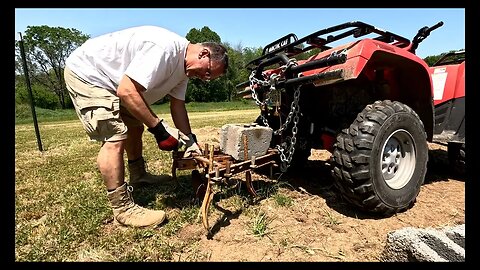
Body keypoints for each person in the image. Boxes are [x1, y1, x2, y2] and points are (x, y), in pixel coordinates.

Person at [63, 25, 229, 228]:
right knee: (115, 135)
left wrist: (190, 141)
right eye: (208, 72)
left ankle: (139, 175)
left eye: (209, 78)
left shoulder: (184, 71)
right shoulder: (165, 50)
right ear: (204, 54)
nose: (206, 78)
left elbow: (177, 106)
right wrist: (159, 130)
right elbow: (126, 91)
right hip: (90, 74)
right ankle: (122, 209)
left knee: (134, 127)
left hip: (115, 84)